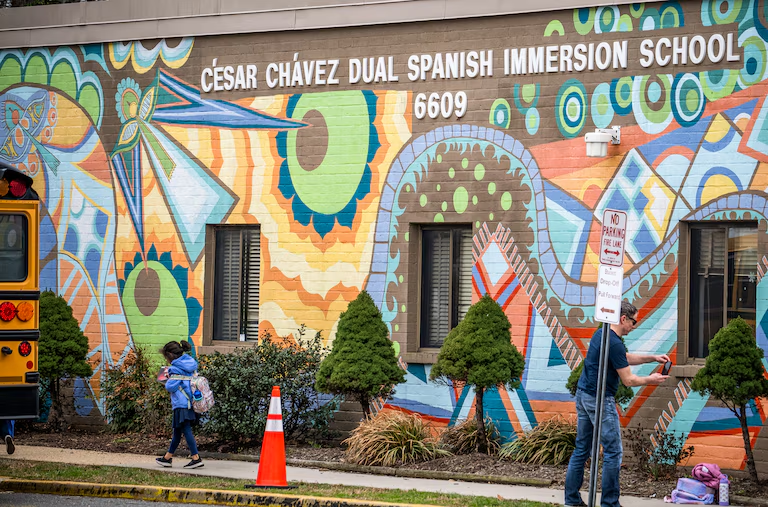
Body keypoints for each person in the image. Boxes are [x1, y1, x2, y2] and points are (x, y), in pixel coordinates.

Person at [564, 301, 669, 507]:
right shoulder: (614, 342)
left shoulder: (602, 334)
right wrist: (652, 379)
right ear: (623, 319)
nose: (634, 326)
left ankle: (572, 500)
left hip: (584, 395)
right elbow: (628, 380)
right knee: (613, 451)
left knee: (582, 448)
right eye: (633, 322)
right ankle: (610, 503)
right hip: (600, 399)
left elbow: (623, 357)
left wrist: (652, 358)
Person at [156, 340, 203, 469]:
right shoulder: (189, 364)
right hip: (189, 402)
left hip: (181, 404)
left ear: (170, 355)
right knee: (177, 431)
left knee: (186, 430)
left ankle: (196, 458)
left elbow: (170, 386)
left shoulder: (175, 369)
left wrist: (165, 379)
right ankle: (167, 458)